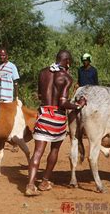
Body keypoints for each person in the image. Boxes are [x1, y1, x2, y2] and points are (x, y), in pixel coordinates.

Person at [25, 50, 86, 196]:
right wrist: (79, 105)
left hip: (43, 115)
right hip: (57, 118)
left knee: (37, 152)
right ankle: (45, 181)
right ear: (68, 62)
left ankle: (30, 185)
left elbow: (40, 94)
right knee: (54, 150)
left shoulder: (43, 73)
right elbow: (63, 102)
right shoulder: (66, 77)